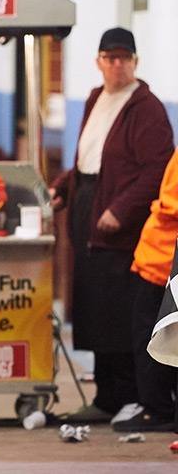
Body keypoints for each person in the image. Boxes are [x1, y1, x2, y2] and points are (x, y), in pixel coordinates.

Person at [50, 27, 173, 423]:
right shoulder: (95, 99)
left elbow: (156, 171)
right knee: (93, 311)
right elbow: (86, 161)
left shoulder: (147, 109)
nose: (117, 65)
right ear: (98, 62)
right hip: (88, 214)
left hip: (124, 232)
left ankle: (129, 394)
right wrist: (63, 189)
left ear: (135, 63)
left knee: (119, 315)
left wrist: (120, 210)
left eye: (124, 58)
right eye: (110, 58)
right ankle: (106, 395)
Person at [111, 147, 178, 432]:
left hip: (162, 260)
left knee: (152, 337)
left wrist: (157, 208)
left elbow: (171, 204)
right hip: (161, 257)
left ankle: (157, 409)